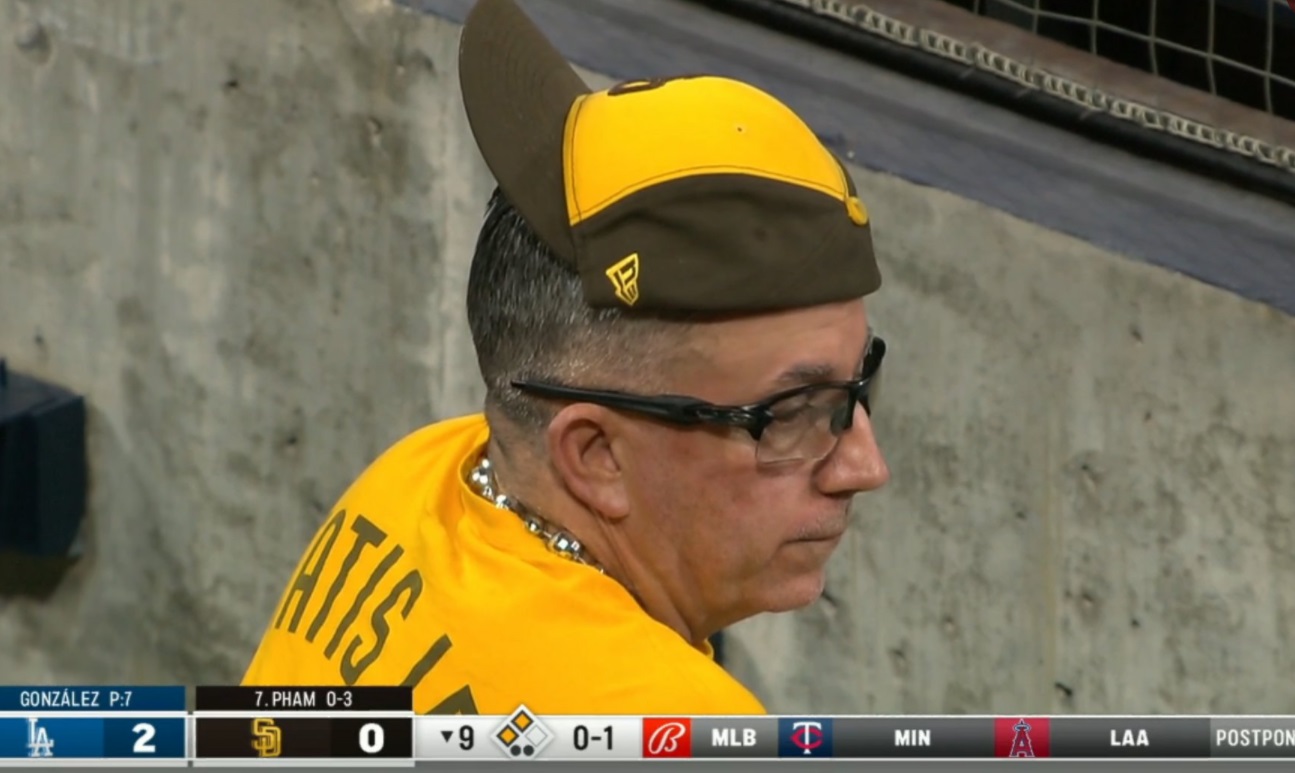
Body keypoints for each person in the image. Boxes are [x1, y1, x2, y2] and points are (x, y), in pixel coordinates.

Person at [242, 0, 889, 715]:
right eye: (791, 414)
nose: (865, 466)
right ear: (594, 456)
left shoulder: (416, 479)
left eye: (859, 384)